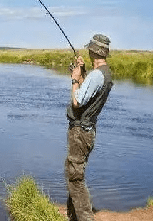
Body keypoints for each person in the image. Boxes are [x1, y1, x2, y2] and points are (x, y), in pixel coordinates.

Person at [65, 34, 113, 221]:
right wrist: (82, 73)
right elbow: (89, 95)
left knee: (75, 178)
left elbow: (77, 102)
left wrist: (75, 79)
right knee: (72, 171)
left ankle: (85, 218)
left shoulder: (97, 76)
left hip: (80, 133)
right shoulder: (103, 73)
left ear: (92, 51)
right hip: (88, 131)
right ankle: (73, 215)